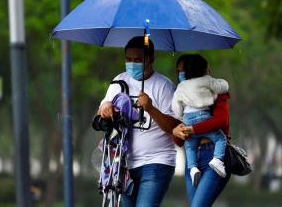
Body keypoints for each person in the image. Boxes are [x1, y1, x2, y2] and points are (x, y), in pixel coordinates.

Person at [98, 36, 180, 207]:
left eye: (137, 60)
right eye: (128, 59)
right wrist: (106, 107)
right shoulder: (119, 81)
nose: (132, 64)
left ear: (150, 59)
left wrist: (150, 108)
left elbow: (173, 127)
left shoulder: (164, 86)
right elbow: (102, 111)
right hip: (124, 165)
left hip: (157, 162)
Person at [173, 54, 232, 207]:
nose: (182, 75)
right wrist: (176, 131)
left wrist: (193, 129)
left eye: (184, 71)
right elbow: (179, 141)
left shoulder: (215, 92)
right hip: (192, 160)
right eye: (179, 71)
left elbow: (221, 121)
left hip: (213, 154)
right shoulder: (182, 97)